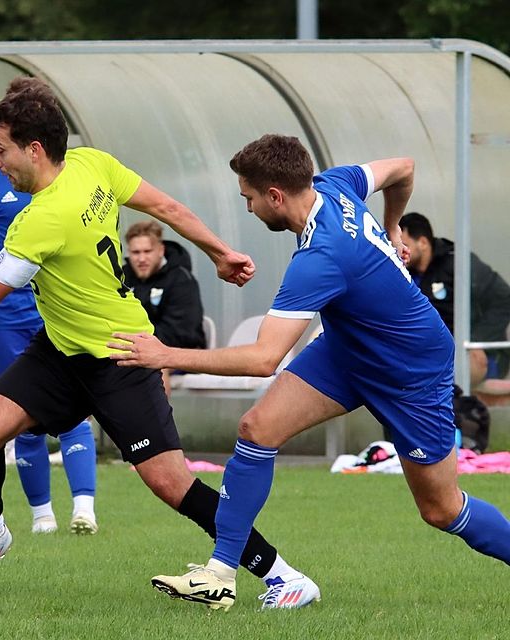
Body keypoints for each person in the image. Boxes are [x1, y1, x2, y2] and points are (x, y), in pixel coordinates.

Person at [0, 78, 319, 608]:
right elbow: (167, 206)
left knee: (171, 484)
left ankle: (283, 575)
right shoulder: (92, 163)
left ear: (34, 149)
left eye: (0, 149)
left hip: (123, 353)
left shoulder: (38, 221)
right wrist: (219, 251)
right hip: (60, 352)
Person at [110, 134, 510, 610]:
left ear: (275, 195)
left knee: (440, 509)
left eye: (250, 198)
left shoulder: (321, 257)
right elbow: (402, 166)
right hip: (348, 349)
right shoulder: (335, 183)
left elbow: (262, 359)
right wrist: (392, 226)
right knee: (257, 429)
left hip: (411, 370)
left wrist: (165, 355)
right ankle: (224, 573)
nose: (250, 209)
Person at [0, 156, 98, 535]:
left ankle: (84, 509)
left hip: (58, 307)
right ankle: (41, 517)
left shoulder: (65, 170)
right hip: (6, 315)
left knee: (76, 406)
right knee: (22, 412)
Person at [399, 211, 510, 387]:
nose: (399, 251)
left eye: (404, 245)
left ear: (423, 243)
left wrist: (473, 341)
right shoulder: (403, 273)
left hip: (474, 355)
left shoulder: (457, 262)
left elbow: (504, 299)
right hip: (430, 354)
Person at [123, 219, 207, 395]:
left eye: (147, 251)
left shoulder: (181, 280)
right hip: (133, 348)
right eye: (135, 252)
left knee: (154, 364)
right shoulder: (122, 279)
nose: (141, 259)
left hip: (180, 352)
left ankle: (156, 422)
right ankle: (86, 423)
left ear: (160, 250)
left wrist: (140, 342)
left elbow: (181, 333)